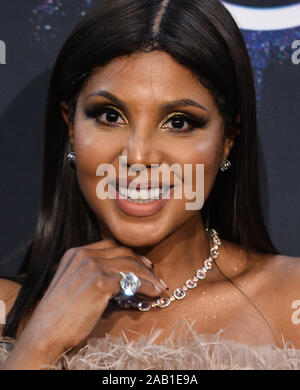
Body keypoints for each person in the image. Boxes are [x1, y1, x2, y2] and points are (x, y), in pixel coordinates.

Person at [0, 0, 299, 370]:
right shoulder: (7, 313)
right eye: (110, 116)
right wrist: (38, 345)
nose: (139, 156)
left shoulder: (291, 301)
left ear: (228, 138)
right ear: (71, 128)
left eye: (178, 123)